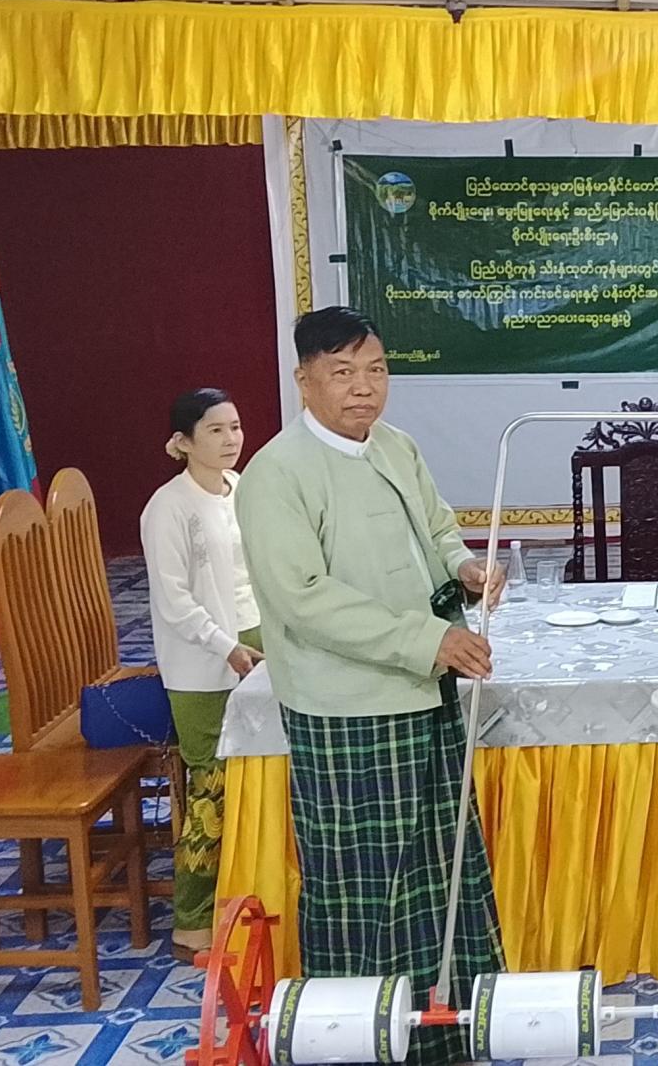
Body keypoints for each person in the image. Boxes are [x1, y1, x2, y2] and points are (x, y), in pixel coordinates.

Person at [236, 306, 506, 1066]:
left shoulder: (395, 446)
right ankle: (355, 1041)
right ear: (304, 381)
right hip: (349, 706)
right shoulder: (276, 474)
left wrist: (464, 567)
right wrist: (429, 639)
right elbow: (303, 599)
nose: (364, 388)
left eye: (377, 370)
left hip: (426, 691)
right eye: (343, 373)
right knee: (361, 884)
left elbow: (438, 528)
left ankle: (443, 1037)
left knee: (438, 871)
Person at [140, 388, 263, 960]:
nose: (231, 439)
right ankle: (191, 921)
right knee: (212, 787)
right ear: (182, 442)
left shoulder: (241, 488)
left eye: (234, 426)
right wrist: (226, 646)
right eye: (215, 430)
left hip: (256, 640)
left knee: (264, 775)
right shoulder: (168, 507)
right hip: (202, 664)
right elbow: (174, 602)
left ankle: (252, 898)